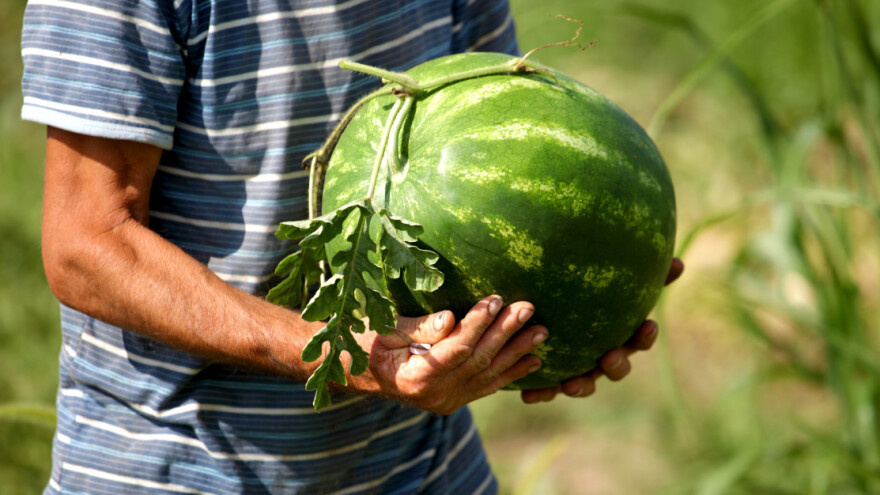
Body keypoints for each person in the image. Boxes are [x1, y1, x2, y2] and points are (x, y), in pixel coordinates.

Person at [22, 0, 683, 493]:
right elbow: (86, 242)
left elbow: (510, 125)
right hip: (183, 471)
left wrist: (560, 321)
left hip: (424, 470)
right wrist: (334, 350)